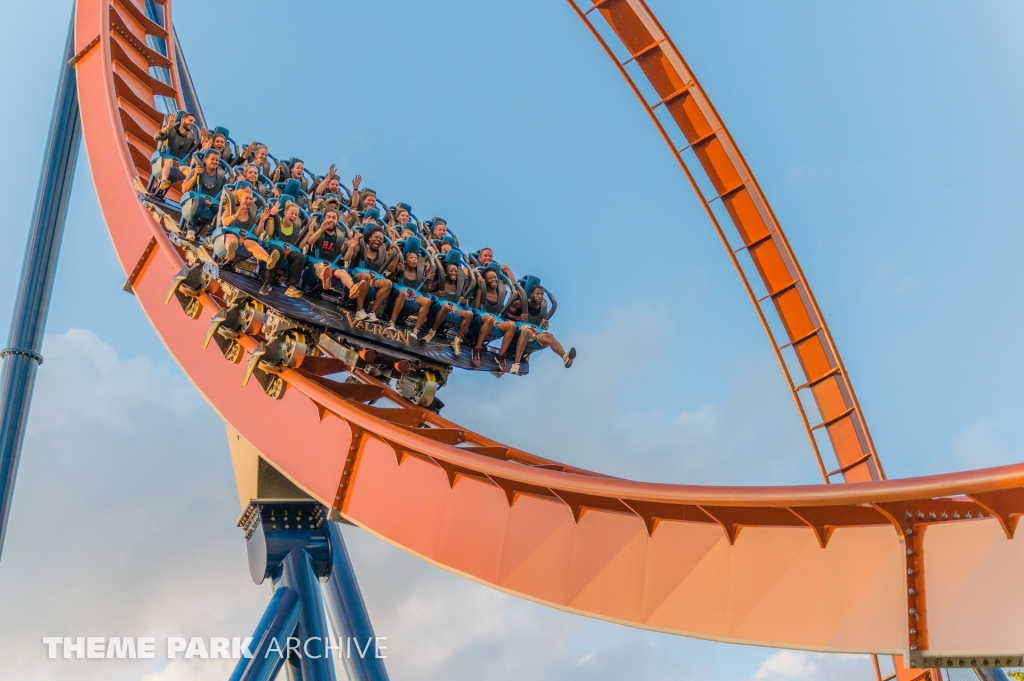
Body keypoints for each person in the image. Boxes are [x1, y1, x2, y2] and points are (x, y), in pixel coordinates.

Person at [505, 279, 575, 374]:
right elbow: (504, 314)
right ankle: (516, 365)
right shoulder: (520, 304)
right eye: (537, 294)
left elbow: (543, 323)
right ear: (531, 294)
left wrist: (545, 325)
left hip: (534, 334)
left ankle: (565, 357)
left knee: (549, 336)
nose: (540, 296)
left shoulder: (543, 307)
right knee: (527, 331)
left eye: (541, 294)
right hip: (519, 332)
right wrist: (518, 317)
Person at [299, 207, 362, 297]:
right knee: (320, 266)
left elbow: (347, 258)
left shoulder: (340, 236)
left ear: (337, 221)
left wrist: (350, 248)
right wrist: (321, 229)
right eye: (328, 217)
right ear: (324, 219)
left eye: (333, 218)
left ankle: (353, 289)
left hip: (331, 268)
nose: (331, 220)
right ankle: (325, 279)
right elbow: (310, 241)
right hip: (312, 269)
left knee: (343, 272)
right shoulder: (318, 230)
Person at [425, 250, 475, 356]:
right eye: (451, 271)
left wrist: (464, 300)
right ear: (446, 273)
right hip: (441, 306)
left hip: (455, 308)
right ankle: (431, 333)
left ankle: (456, 341)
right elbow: (426, 291)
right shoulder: (440, 282)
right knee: (445, 307)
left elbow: (465, 296)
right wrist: (436, 293)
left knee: (469, 314)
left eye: (456, 271)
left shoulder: (459, 285)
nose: (454, 273)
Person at [345, 224, 395, 322]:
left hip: (374, 277)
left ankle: (372, 312)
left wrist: (395, 251)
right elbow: (350, 257)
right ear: (369, 238)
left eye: (380, 239)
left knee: (388, 283)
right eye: (376, 237)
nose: (378, 240)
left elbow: (391, 268)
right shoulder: (361, 244)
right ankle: (359, 310)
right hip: (358, 274)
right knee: (366, 276)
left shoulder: (382, 251)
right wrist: (354, 243)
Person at [258, 200, 306, 298]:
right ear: (285, 212)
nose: (294, 216)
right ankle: (267, 283)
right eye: (292, 213)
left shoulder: (297, 227)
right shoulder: (277, 220)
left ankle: (291, 286)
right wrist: (272, 215)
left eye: (296, 214)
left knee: (300, 256)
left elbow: (300, 246)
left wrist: (309, 232)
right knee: (277, 251)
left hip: (287, 250)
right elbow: (269, 233)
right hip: (272, 247)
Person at [471, 264, 517, 367]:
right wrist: (481, 289)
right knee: (490, 319)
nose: (493, 280)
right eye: (490, 278)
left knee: (511, 325)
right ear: (486, 280)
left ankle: (501, 355)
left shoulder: (500, 291)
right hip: (481, 318)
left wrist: (511, 297)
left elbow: (503, 311)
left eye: (495, 277)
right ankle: (477, 349)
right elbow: (476, 308)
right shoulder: (481, 289)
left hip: (496, 319)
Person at [179, 148, 226, 241]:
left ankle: (210, 236)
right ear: (205, 160)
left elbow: (221, 197)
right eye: (212, 159)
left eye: (217, 160)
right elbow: (184, 189)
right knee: (200, 199)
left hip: (211, 204)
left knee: (222, 210)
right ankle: (191, 229)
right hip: (194, 201)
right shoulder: (196, 170)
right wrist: (195, 176)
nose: (215, 162)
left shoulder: (221, 177)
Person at [151, 111, 198, 197]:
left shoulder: (190, 138)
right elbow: (156, 137)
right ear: (183, 120)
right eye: (190, 120)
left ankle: (190, 191)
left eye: (193, 122)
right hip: (164, 160)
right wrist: (167, 127)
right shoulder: (171, 130)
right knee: (169, 161)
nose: (192, 123)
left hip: (179, 165)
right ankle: (163, 181)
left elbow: (194, 154)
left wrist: (203, 147)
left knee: (189, 170)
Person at [388, 237, 432, 329]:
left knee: (427, 301)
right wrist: (396, 271)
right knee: (403, 294)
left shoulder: (419, 273)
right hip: (398, 293)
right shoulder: (401, 268)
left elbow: (424, 289)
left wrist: (427, 281)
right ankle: (392, 322)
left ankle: (416, 330)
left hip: (414, 295)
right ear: (405, 260)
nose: (414, 259)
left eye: (415, 258)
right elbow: (388, 279)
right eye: (411, 258)